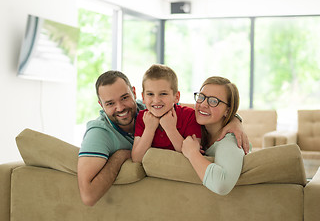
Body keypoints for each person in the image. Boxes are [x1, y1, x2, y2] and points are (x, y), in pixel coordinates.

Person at [77, 70, 249, 206]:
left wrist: (235, 119)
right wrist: (122, 154)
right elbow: (88, 196)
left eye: (124, 98)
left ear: (135, 94)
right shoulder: (100, 133)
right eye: (110, 103)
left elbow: (198, 113)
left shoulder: (149, 108)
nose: (120, 107)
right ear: (145, 96)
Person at [181, 76, 245, 195]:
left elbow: (222, 186)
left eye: (214, 101)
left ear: (227, 110)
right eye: (201, 97)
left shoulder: (230, 142)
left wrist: (192, 153)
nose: (203, 104)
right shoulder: (196, 126)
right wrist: (237, 119)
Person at [131, 64, 201, 163]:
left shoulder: (189, 116)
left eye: (163, 94)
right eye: (150, 94)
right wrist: (149, 129)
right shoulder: (142, 117)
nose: (156, 100)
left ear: (176, 97)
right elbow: (137, 158)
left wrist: (170, 128)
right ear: (143, 97)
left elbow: (193, 157)